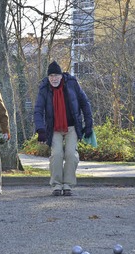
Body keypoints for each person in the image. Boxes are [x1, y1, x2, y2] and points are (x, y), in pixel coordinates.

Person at [34, 61, 93, 196]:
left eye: (56, 75)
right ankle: (56, 184)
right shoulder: (44, 89)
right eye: (51, 76)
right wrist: (40, 130)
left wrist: (88, 125)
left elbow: (85, 103)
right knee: (57, 155)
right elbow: (38, 110)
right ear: (48, 78)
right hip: (54, 128)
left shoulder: (72, 84)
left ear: (61, 76)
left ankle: (67, 184)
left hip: (72, 126)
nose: (54, 79)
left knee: (71, 155)